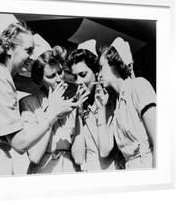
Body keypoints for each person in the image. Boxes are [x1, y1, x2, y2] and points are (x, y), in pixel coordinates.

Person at [0, 16, 76, 177]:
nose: (32, 57)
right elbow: (20, 143)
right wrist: (52, 114)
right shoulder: (0, 79)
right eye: (28, 51)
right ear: (9, 49)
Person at [19, 48, 84, 174]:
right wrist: (53, 113)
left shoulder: (72, 102)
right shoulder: (28, 104)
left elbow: (79, 158)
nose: (59, 79)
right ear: (40, 79)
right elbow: (35, 156)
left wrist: (79, 115)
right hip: (43, 171)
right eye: (51, 76)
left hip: (70, 172)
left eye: (60, 72)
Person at [96, 37, 156, 169]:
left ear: (115, 64)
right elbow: (104, 150)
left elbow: (159, 140)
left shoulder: (139, 85)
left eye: (101, 68)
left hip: (147, 166)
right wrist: (101, 109)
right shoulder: (117, 104)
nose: (98, 75)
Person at [67, 40, 120, 171]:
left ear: (96, 72)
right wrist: (78, 116)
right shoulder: (79, 107)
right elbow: (78, 158)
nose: (78, 82)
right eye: (75, 77)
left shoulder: (112, 102)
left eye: (83, 75)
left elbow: (105, 151)